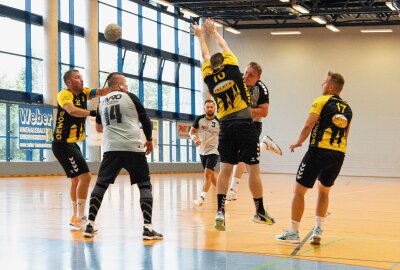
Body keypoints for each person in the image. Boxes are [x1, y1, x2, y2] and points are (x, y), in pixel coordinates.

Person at [191, 18, 275, 231]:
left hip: (226, 127)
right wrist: (213, 32)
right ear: (225, 61)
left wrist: (200, 36)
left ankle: (220, 211)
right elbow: (224, 46)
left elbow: (204, 55)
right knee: (253, 170)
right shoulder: (233, 69)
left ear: (212, 66)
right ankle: (260, 211)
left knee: (226, 169)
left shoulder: (209, 78)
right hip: (245, 125)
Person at [83, 72, 163, 240]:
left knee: (101, 185)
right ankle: (147, 228)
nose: (127, 86)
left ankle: (89, 225)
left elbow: (98, 128)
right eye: (125, 83)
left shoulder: (102, 102)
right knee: (144, 185)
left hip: (112, 149)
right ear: (119, 85)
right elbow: (145, 121)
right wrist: (149, 139)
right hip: (133, 147)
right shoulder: (130, 97)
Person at [276, 71, 352, 245]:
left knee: (298, 191)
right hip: (338, 155)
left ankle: (293, 232)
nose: (322, 85)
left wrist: (299, 141)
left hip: (318, 152)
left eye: (324, 82)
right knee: (324, 191)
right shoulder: (348, 108)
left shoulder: (321, 101)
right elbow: (346, 135)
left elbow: (309, 124)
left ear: (331, 87)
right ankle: (318, 229)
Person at [52, 69, 108, 229]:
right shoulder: (64, 95)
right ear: (69, 82)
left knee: (76, 179)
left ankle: (75, 217)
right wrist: (93, 113)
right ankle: (81, 217)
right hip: (62, 143)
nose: (81, 80)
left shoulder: (84, 92)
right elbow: (72, 110)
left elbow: (102, 91)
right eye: (77, 78)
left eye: (81, 77)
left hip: (71, 143)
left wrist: (113, 84)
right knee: (86, 176)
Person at [226, 62, 282, 201]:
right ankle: (265, 145)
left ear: (258, 77)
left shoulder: (261, 88)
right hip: (234, 125)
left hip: (252, 125)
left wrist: (243, 112)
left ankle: (232, 190)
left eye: (251, 75)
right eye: (245, 72)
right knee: (237, 157)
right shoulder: (236, 80)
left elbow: (264, 112)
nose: (246, 76)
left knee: (242, 156)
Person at [189, 99, 219, 207]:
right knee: (211, 175)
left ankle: (201, 198)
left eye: (212, 107)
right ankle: (223, 194)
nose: (210, 109)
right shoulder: (199, 119)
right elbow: (191, 131)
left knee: (207, 174)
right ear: (204, 108)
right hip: (202, 151)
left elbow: (223, 136)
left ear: (214, 108)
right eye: (208, 107)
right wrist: (194, 138)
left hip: (214, 150)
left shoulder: (218, 122)